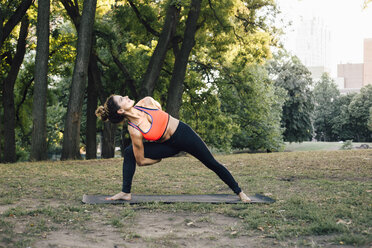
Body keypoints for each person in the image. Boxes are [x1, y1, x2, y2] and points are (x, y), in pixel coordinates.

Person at [95, 95, 251, 202]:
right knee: (129, 152)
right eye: (122, 99)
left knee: (211, 162)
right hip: (168, 146)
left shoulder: (146, 102)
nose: (127, 97)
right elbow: (141, 160)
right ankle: (125, 192)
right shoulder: (134, 130)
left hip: (184, 134)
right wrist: (158, 159)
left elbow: (159, 109)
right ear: (120, 111)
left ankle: (239, 192)